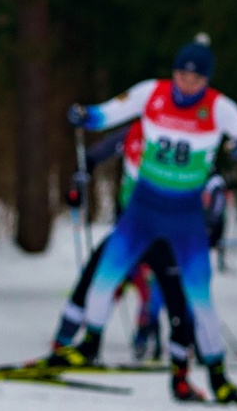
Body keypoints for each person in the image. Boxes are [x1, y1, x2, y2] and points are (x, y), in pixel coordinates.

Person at [50, 36, 237, 403]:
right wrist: (85, 116)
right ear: (174, 73)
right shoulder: (151, 93)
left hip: (185, 218)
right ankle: (88, 345)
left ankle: (218, 377)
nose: (188, 84)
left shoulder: (219, 108)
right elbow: (106, 114)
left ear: (207, 81)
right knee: (104, 277)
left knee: (200, 299)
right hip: (143, 210)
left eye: (196, 79)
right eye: (182, 75)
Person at [53, 120, 192, 365]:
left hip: (163, 235)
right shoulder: (131, 134)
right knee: (95, 279)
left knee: (171, 293)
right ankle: (63, 345)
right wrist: (78, 186)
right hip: (129, 231)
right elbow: (91, 158)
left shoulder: (182, 140)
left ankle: (182, 354)